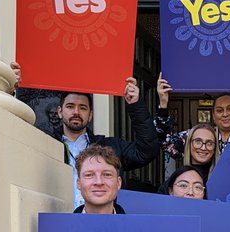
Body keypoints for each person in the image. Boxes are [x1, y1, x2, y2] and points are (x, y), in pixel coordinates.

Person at [11, 64, 161, 209]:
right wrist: (11, 91)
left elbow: (147, 150)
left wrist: (135, 105)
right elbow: (13, 143)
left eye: (83, 107)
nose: (76, 112)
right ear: (59, 112)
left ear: (90, 115)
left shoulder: (108, 147)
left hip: (99, 223)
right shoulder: (44, 143)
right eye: (70, 106)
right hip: (55, 221)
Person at [73, 144, 125, 214]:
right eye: (89, 175)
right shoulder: (62, 225)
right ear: (78, 183)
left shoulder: (136, 225)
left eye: (107, 175)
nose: (99, 182)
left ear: (118, 183)